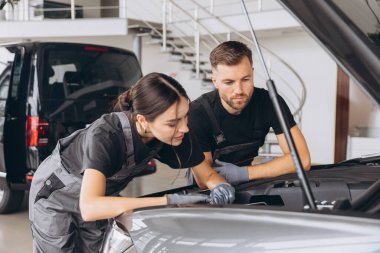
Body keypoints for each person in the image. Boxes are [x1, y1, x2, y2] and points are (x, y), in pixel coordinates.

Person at [29, 72, 234, 253]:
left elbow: (205, 174)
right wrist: (166, 202)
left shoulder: (175, 133)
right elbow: (90, 207)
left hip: (99, 195)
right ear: (143, 121)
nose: (184, 128)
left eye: (185, 117)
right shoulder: (106, 135)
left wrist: (220, 186)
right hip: (56, 195)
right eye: (173, 122)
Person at [188, 41, 311, 186]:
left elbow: (302, 160)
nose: (239, 90)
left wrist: (245, 173)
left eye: (246, 79)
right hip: (210, 189)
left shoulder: (269, 102)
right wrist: (271, 168)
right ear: (215, 81)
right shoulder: (198, 113)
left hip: (247, 180)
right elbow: (203, 180)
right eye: (229, 82)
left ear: (252, 73)